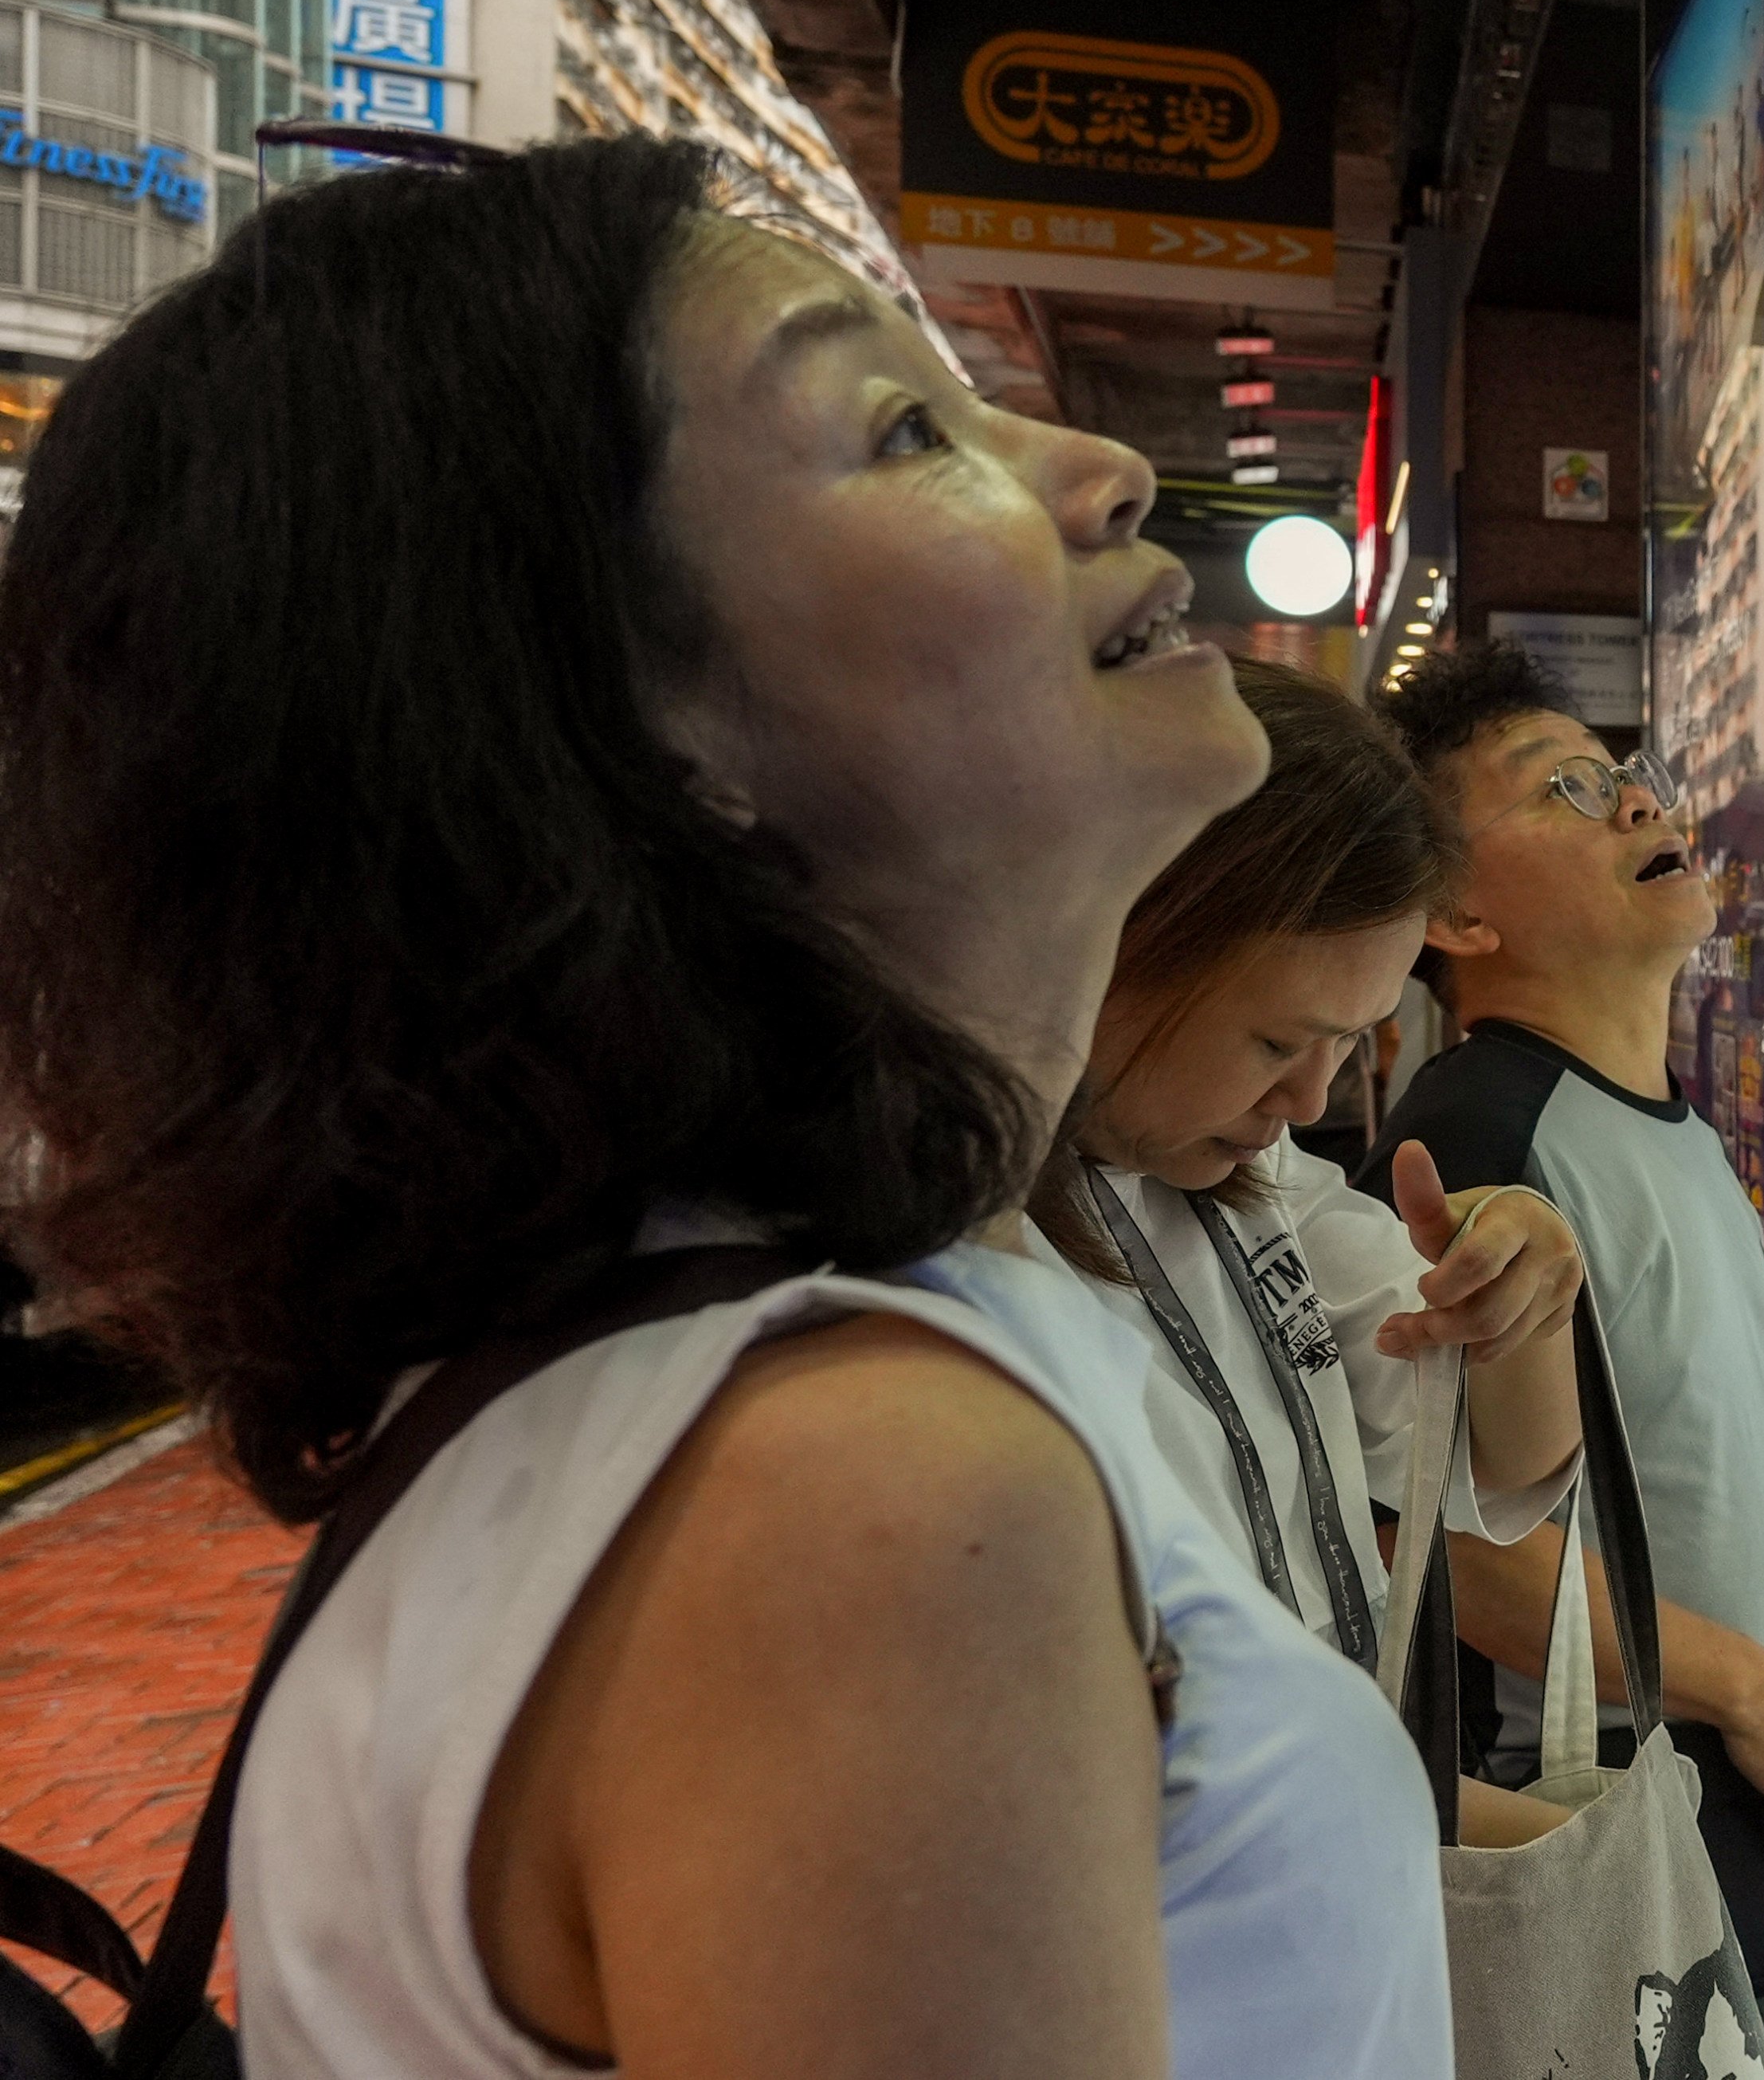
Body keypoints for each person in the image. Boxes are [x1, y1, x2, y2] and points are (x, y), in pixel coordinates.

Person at [0, 138, 1453, 2078]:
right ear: (630, 732)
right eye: (902, 433)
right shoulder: (856, 1494)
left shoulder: (783, 1343)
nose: (1093, 468)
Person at [1026, 657, 1584, 1846]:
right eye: (1279, 1036)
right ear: (1114, 944)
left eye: (1352, 1041)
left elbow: (1494, 1468)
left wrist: (1526, 1294)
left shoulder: (1262, 1187)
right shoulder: (980, 1275)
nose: (1308, 1093)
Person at [1357, 641, 1764, 1889]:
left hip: (1717, 1789)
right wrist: (1749, 1685)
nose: (1640, 803)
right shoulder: (1475, 1135)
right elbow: (1444, 1543)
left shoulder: (1668, 1121)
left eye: (1619, 775)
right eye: (1563, 792)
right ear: (1458, 918)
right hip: (1585, 1828)